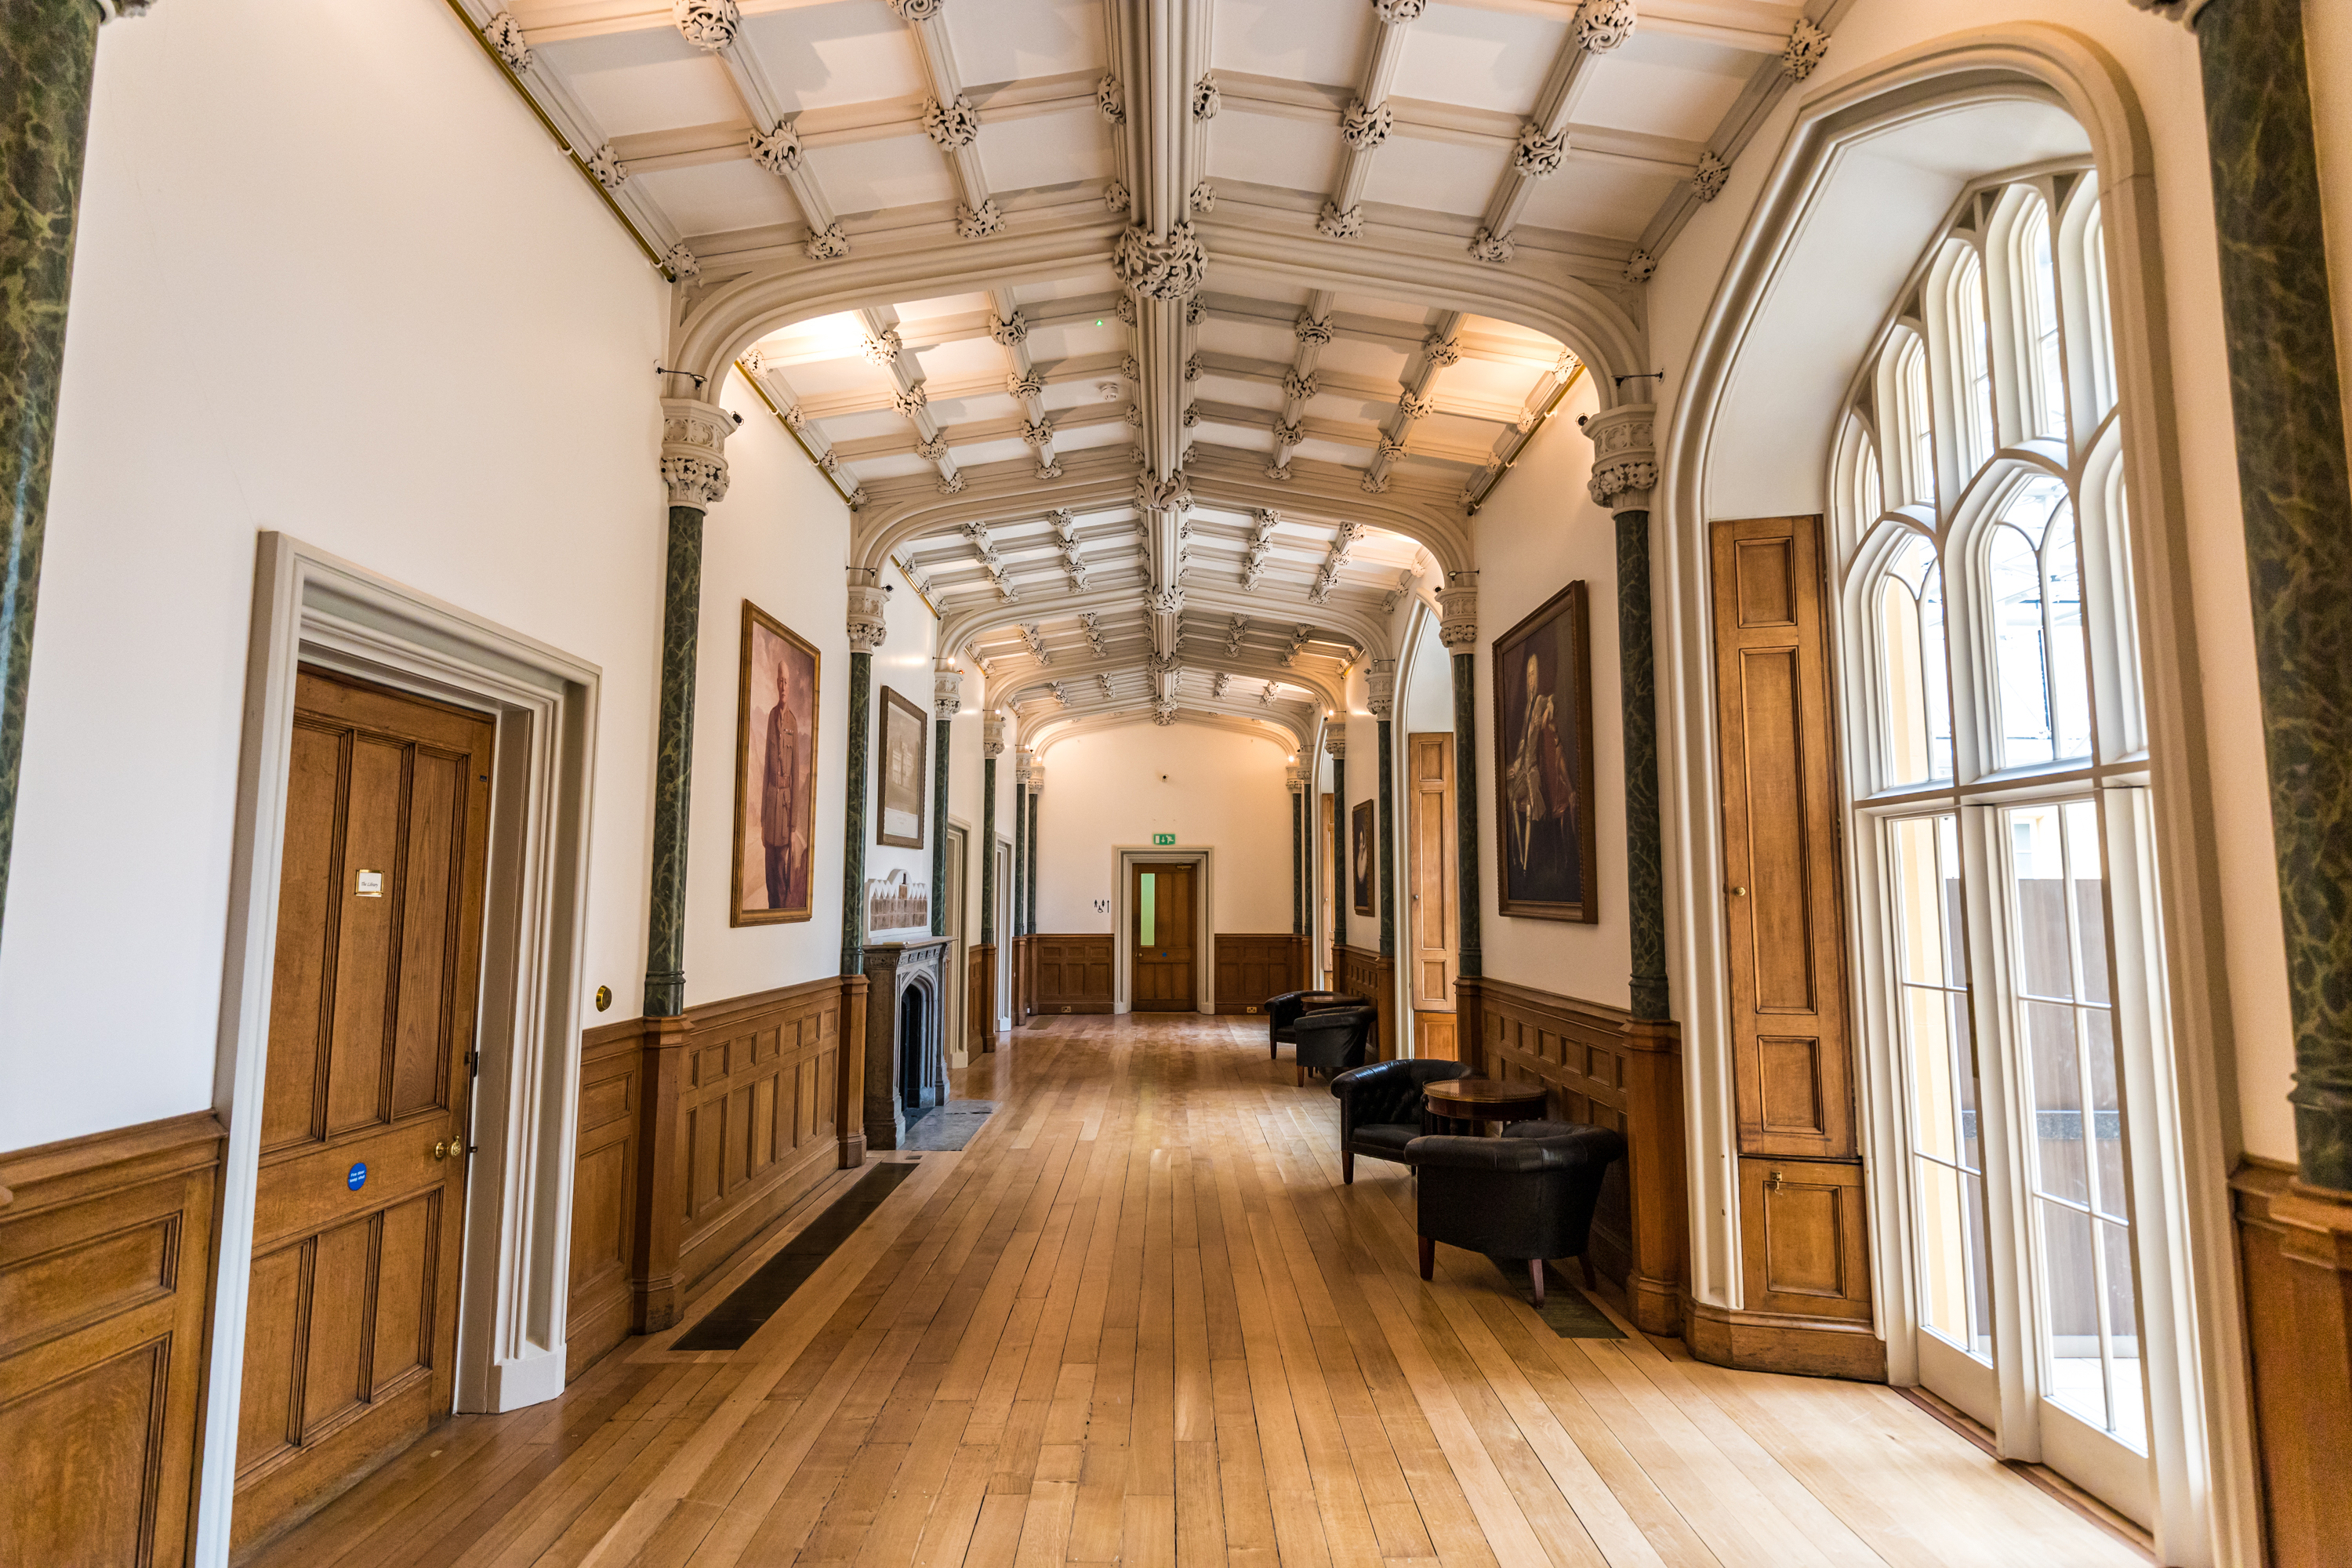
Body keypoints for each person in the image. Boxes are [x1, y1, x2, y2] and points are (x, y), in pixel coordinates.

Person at [1506, 648, 1577, 898]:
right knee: (1512, 799)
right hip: (1523, 766)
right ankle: (1518, 855)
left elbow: (1553, 699)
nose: (1531, 680)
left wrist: (1551, 707)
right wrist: (1515, 763)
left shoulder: (1539, 703)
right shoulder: (1527, 707)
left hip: (1535, 770)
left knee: (1532, 804)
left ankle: (1526, 862)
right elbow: (1524, 744)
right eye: (1528, 676)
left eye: (1534, 675)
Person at [760, 656, 804, 909]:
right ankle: (770, 910)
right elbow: (767, 765)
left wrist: (794, 823)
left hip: (786, 807)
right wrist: (764, 817)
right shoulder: (771, 717)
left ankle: (778, 911)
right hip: (771, 802)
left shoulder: (793, 724)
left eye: (786, 681)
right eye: (780, 681)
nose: (783, 686)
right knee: (770, 868)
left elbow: (797, 774)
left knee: (782, 871)